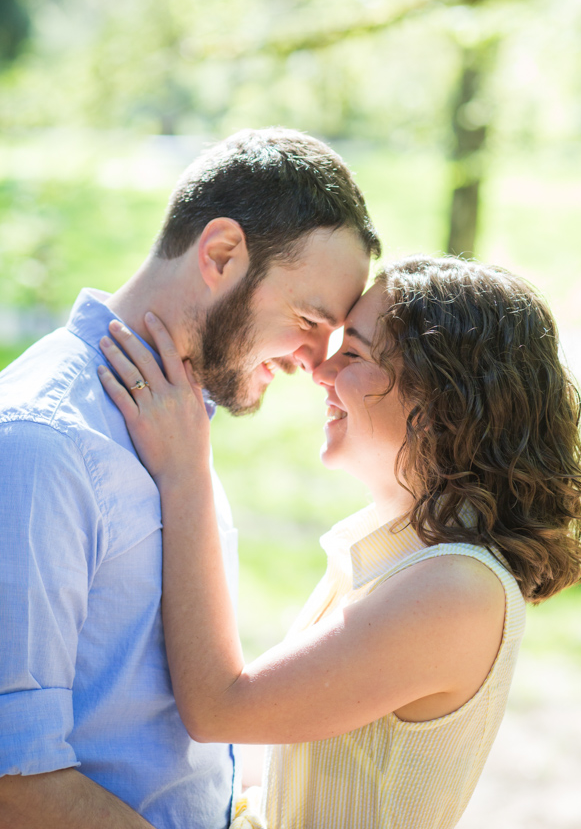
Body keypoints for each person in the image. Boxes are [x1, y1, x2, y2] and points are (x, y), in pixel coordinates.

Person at [99, 254, 581, 829]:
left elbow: (220, 708)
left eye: (355, 353)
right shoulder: (401, 552)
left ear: (442, 401)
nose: (319, 369)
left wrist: (184, 471)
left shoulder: (456, 589)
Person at [0, 127, 380, 829]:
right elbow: (15, 782)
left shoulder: (173, 419)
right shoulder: (42, 444)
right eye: (307, 319)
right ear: (221, 254)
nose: (310, 362)